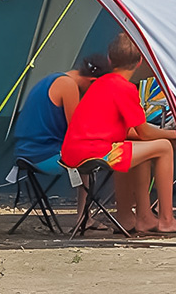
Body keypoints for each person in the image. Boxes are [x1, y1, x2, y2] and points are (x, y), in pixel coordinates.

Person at [62, 33, 176, 235]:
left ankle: (134, 217)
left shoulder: (101, 83)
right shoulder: (125, 88)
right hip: (95, 152)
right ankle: (167, 219)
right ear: (140, 61)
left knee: (135, 146)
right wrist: (175, 135)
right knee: (163, 148)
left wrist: (163, 135)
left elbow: (134, 132)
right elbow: (145, 131)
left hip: (74, 150)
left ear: (110, 59)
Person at [13, 53, 111, 228]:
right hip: (43, 155)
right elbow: (77, 132)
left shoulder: (55, 78)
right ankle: (84, 218)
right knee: (88, 156)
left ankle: (85, 216)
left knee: (85, 153)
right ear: (93, 81)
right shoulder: (68, 86)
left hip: (26, 151)